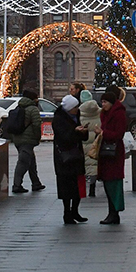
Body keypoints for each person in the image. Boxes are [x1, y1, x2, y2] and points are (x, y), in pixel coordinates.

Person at [52, 94, 89, 224]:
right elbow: (64, 137)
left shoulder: (75, 116)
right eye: (75, 107)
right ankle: (67, 213)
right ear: (69, 108)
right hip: (64, 157)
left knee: (77, 185)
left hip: (76, 156)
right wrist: (76, 131)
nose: (77, 109)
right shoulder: (59, 119)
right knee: (66, 187)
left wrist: (83, 132)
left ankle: (75, 211)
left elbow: (79, 136)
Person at [96, 85, 128, 224]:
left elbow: (118, 134)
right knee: (108, 183)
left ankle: (114, 212)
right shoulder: (105, 113)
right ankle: (112, 212)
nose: (102, 105)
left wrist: (103, 133)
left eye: (105, 102)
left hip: (113, 152)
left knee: (114, 183)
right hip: (106, 152)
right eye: (102, 102)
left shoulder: (118, 113)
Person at [11, 88, 45, 194]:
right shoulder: (33, 109)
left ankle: (36, 183)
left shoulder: (19, 107)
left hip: (18, 138)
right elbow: (36, 124)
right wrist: (37, 137)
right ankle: (16, 185)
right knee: (23, 162)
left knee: (31, 162)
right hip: (27, 139)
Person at [78, 89, 102, 197]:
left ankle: (83, 190)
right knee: (94, 165)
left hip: (84, 142)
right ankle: (92, 188)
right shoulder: (99, 111)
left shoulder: (79, 112)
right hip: (96, 143)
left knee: (85, 166)